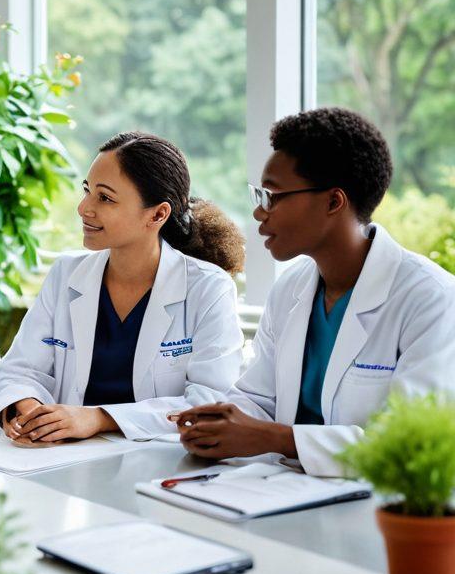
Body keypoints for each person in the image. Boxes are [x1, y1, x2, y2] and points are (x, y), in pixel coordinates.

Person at [175, 107, 455, 476]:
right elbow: (258, 398)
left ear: (333, 202)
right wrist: (219, 423)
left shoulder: (430, 298)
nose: (260, 213)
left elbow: (412, 443)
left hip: (379, 506)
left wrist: (277, 439)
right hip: (280, 490)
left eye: (273, 196)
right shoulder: (291, 287)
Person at [0, 132, 245, 444]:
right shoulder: (66, 274)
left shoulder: (208, 288)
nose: (84, 208)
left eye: (105, 198)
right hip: (63, 459)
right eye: (87, 191)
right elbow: (19, 371)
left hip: (157, 463)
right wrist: (29, 411)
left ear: (157, 214)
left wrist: (99, 418)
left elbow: (210, 402)